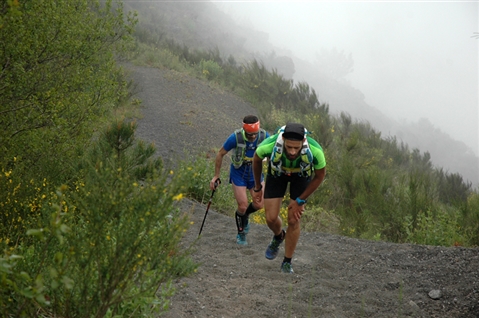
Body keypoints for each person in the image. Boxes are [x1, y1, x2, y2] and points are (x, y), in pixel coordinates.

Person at [252, 122, 326, 273]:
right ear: (283, 140)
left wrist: (301, 200)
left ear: (303, 141)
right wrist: (258, 187)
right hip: (277, 173)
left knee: (293, 219)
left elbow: (319, 176)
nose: (292, 152)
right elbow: (257, 159)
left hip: (301, 176)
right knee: (271, 218)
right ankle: (279, 236)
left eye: (296, 148)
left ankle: (287, 261)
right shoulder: (269, 145)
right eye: (289, 147)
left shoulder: (316, 151)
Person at [210, 115, 270, 245]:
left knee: (259, 204)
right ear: (244, 130)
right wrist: (216, 176)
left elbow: (272, 153)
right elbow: (220, 153)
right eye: (250, 134)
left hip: (255, 174)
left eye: (255, 134)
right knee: (242, 206)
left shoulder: (264, 136)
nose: (253, 137)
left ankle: (245, 216)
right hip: (239, 173)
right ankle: (241, 233)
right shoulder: (235, 137)